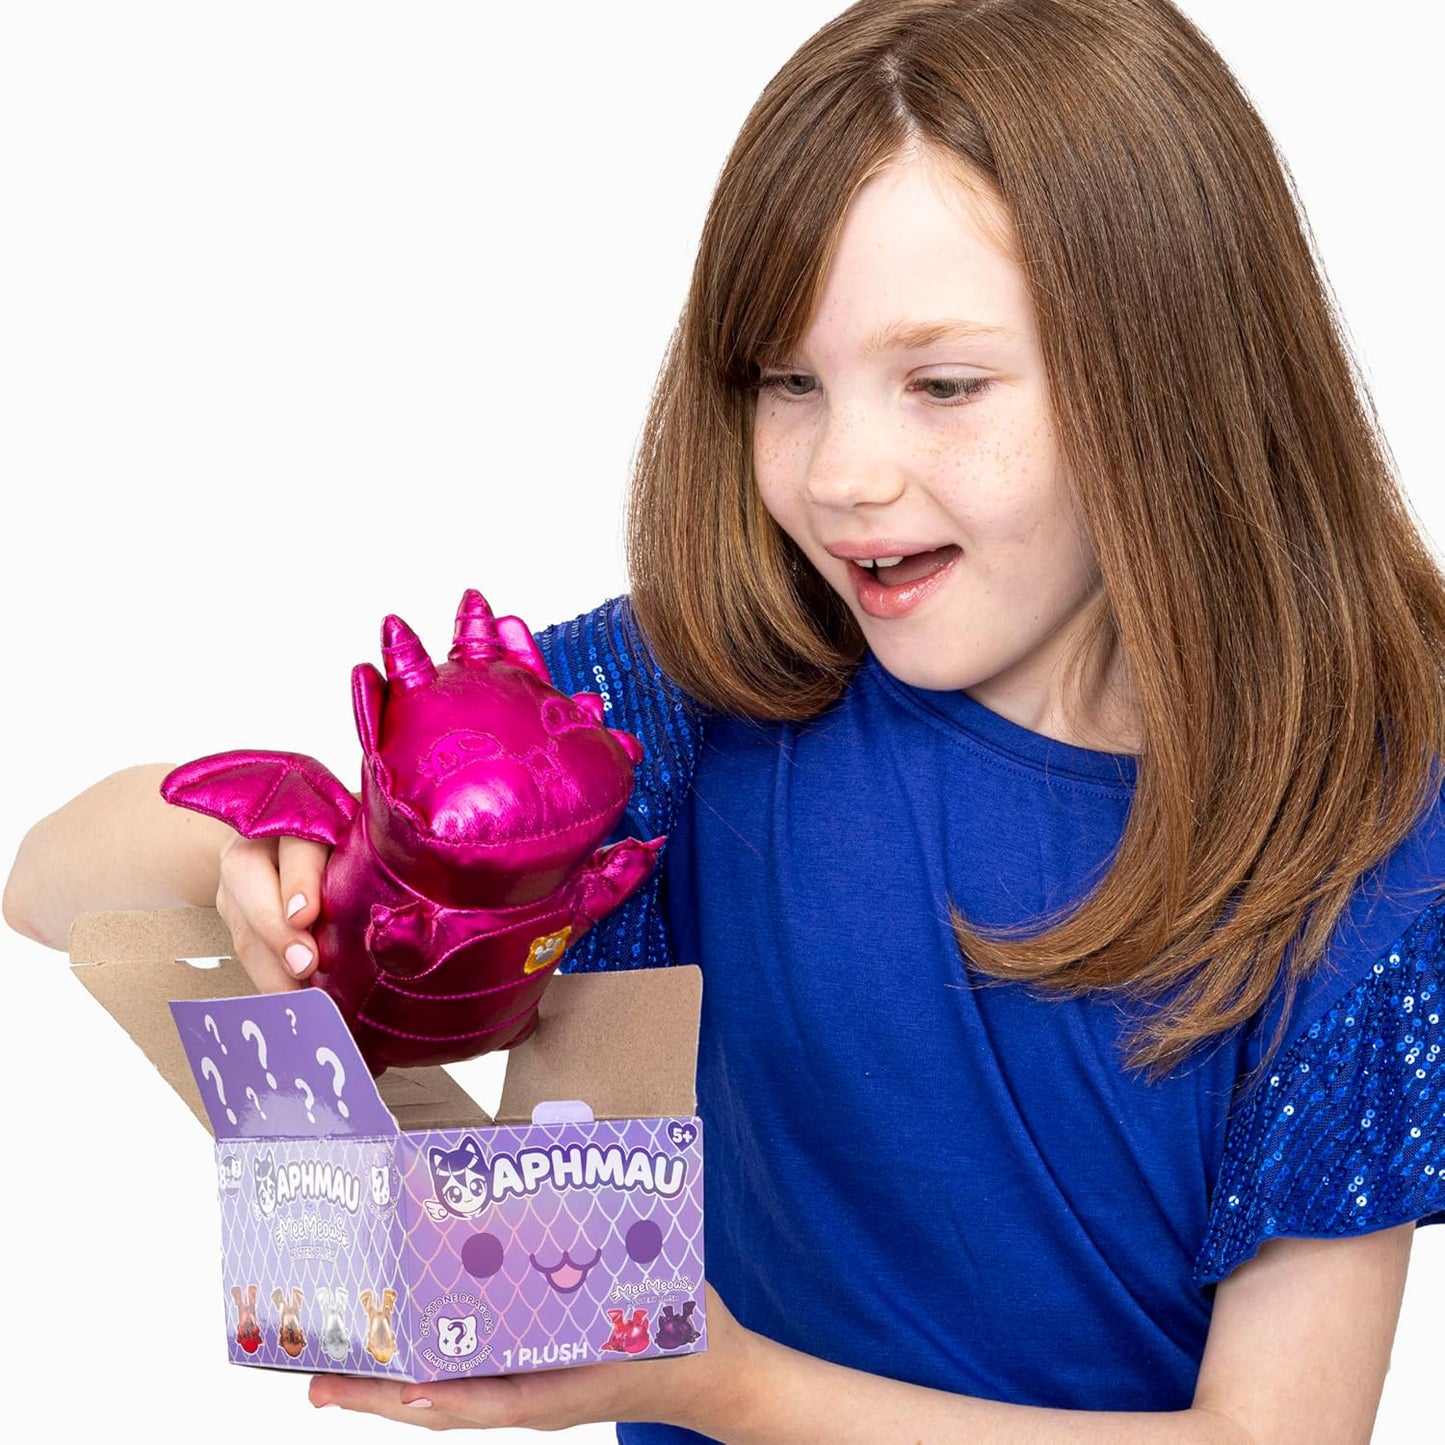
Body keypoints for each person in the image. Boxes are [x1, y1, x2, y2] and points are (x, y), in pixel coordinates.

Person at [6, 0, 1443, 1439]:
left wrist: (723, 1383)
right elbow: (46, 883)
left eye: (943, 385)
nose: (843, 475)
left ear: (1175, 375)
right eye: (788, 382)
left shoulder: (1358, 820)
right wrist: (262, 857)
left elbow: (1272, 1436)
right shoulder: (687, 704)